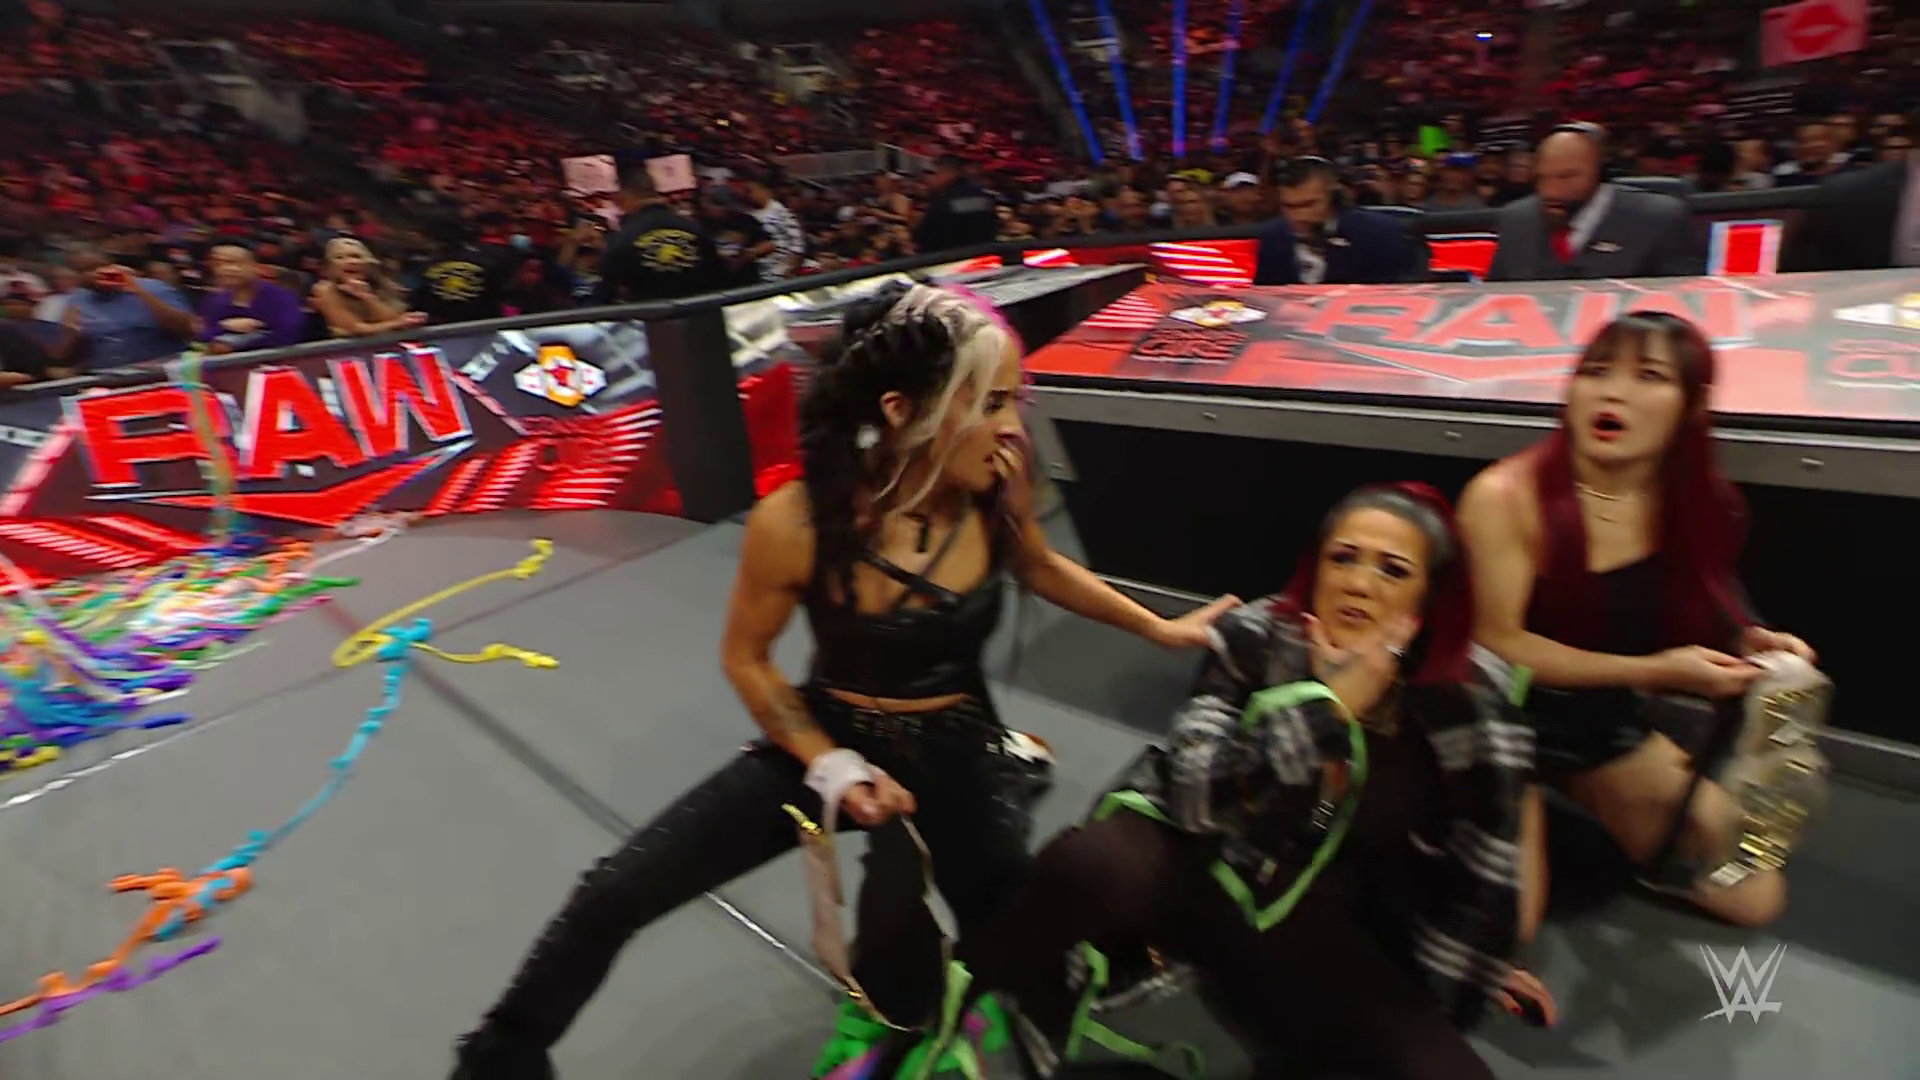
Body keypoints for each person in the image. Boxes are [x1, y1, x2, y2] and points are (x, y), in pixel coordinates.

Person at [449, 282, 1237, 1080]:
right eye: (989, 403)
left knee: (1015, 950)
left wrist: (1161, 628)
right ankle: (499, 1056)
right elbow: (748, 658)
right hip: (828, 736)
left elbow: (1038, 565)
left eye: (1013, 400)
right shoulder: (795, 523)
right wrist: (830, 767)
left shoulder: (997, 483)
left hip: (958, 747)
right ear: (902, 411)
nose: (1012, 426)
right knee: (615, 891)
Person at [869, 484, 1549, 1080]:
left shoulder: (1472, 715)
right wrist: (1325, 709)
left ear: (1430, 599)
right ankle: (961, 1000)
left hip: (1312, 919)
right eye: (1342, 558)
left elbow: (1481, 877)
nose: (1358, 583)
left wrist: (1466, 967)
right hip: (1209, 864)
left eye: (1392, 569)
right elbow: (1193, 792)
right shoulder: (1258, 638)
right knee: (1099, 859)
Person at [1456, 312, 1822, 930]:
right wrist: (1654, 671)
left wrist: (1750, 642)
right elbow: (1497, 643)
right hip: (1492, 722)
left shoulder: (1699, 501)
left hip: (1595, 726)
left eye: (1648, 376)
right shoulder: (1505, 497)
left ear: (1691, 405)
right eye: (1597, 371)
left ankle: (1577, 810)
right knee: (1507, 927)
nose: (1613, 393)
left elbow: (1695, 598)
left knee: (1753, 895)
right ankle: (1511, 812)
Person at [1485, 124, 1706, 282]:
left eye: (1567, 177)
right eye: (1542, 178)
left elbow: (1682, 306)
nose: (1550, 191)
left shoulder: (1660, 219)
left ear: (1599, 174)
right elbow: (1498, 301)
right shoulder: (1516, 220)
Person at [1781, 109, 1918, 272]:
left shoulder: (1852, 172)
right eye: (1805, 141)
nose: (1812, 145)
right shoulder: (1847, 193)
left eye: (1818, 140)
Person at [1253, 157, 1422, 286]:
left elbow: (1401, 294)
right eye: (1289, 206)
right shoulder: (1274, 237)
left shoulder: (1378, 233)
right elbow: (1267, 297)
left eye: (1309, 204)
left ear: (1332, 196)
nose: (1298, 216)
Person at [595, 167, 725, 303]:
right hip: (699, 308)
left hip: (650, 311)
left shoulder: (624, 237)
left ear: (621, 198)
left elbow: (609, 286)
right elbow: (718, 275)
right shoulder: (695, 228)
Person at [55, 247, 197, 369]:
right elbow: (65, 356)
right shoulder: (77, 300)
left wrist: (139, 291)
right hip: (109, 375)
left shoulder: (154, 288)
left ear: (112, 266)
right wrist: (71, 335)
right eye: (81, 271)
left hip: (163, 368)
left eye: (95, 267)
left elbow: (187, 329)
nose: (92, 274)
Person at [198, 244, 307, 354]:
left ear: (254, 266)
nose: (228, 269)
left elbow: (287, 336)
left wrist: (236, 345)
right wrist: (224, 327)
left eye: (235, 263)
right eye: (218, 264)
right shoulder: (214, 301)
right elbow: (202, 334)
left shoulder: (281, 298)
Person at [311, 236, 428, 339]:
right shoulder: (325, 289)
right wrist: (399, 322)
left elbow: (391, 319)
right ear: (330, 265)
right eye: (340, 258)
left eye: (356, 256)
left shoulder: (381, 284)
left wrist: (366, 297)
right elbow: (354, 328)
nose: (351, 262)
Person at [913, 156, 998, 255]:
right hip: (984, 254)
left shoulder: (943, 201)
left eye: (934, 174)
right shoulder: (983, 196)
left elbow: (924, 237)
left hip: (951, 257)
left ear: (946, 174)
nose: (929, 180)